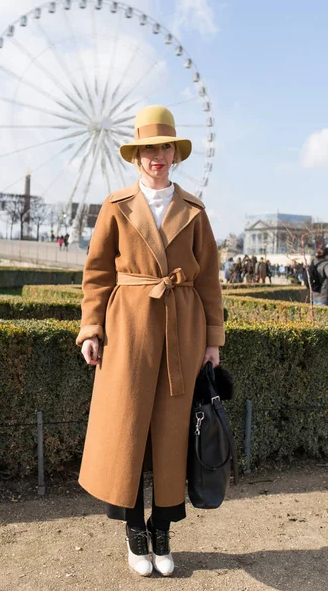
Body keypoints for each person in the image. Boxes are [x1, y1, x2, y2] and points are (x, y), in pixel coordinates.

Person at [75, 105, 225, 577]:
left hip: (182, 331)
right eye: (147, 149)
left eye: (163, 147)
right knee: (128, 433)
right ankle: (133, 531)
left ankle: (162, 529)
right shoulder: (115, 206)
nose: (155, 156)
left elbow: (209, 282)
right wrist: (91, 328)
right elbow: (97, 275)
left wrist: (213, 339)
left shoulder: (195, 211)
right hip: (129, 331)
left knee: (170, 432)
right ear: (136, 155)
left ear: (173, 153)